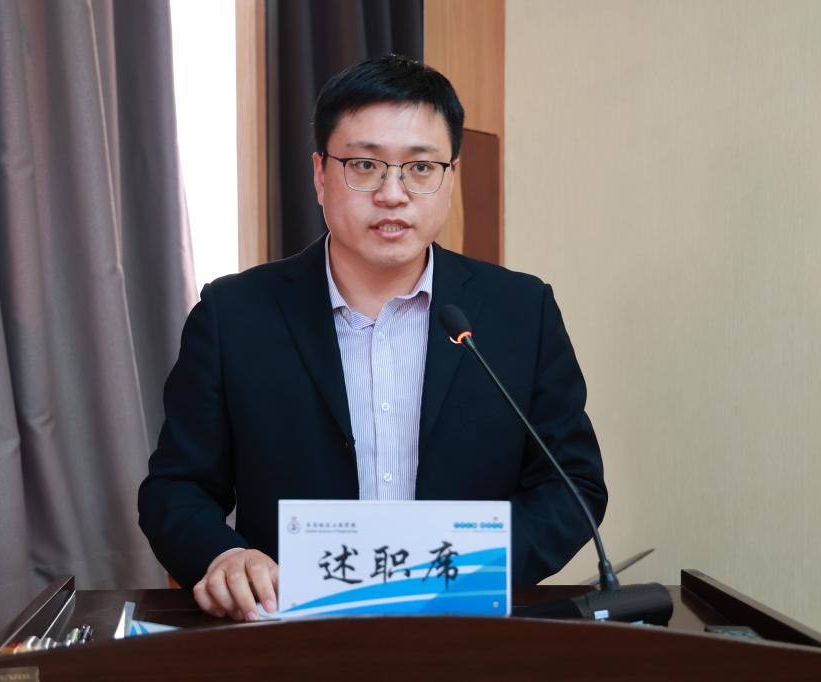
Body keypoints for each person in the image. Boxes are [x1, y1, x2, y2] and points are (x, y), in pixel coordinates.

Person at [139, 55, 606, 622]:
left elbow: (571, 484)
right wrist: (225, 556)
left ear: (450, 177)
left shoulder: (521, 311)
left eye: (421, 167)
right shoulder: (234, 314)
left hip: (467, 627)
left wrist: (477, 568)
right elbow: (176, 488)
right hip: (290, 628)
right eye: (364, 165)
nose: (393, 193)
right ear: (320, 174)